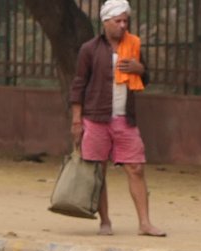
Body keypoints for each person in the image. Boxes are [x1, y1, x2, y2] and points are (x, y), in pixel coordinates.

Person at [69, 0, 165, 237]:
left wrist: (139, 69)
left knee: (136, 168)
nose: (123, 25)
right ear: (105, 22)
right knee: (98, 171)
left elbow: (146, 78)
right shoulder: (89, 49)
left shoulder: (133, 46)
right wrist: (77, 120)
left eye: (125, 21)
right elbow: (78, 85)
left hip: (125, 119)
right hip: (96, 117)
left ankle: (145, 223)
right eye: (118, 21)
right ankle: (105, 221)